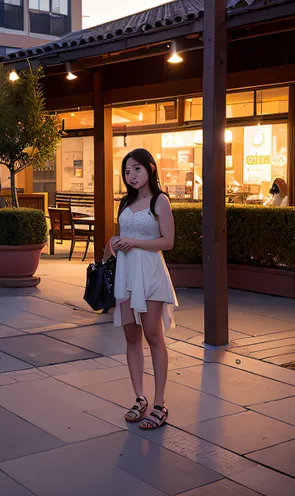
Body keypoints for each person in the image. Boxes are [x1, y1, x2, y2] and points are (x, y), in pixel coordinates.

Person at [109, 148, 178, 429]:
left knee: (153, 335)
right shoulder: (125, 201)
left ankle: (160, 404)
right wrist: (115, 241)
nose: (132, 175)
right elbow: (123, 235)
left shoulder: (160, 201)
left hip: (150, 273)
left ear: (150, 168)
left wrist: (135, 243)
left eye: (136, 168)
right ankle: (140, 398)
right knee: (131, 337)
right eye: (127, 171)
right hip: (126, 273)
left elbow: (168, 242)